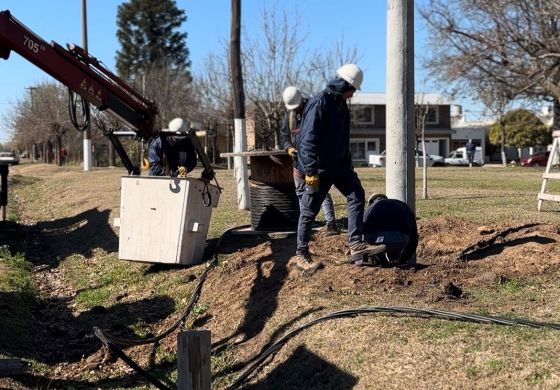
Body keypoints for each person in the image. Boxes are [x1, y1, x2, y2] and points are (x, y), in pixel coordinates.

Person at [294, 63, 383, 274]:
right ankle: (301, 254)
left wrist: (348, 166)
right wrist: (310, 171)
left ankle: (355, 244)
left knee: (356, 194)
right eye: (352, 90)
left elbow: (342, 141)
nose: (353, 95)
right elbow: (307, 141)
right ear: (345, 85)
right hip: (319, 169)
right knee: (308, 211)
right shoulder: (320, 103)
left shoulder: (341, 106)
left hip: (339, 166)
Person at [279, 86, 340, 237]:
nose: (296, 109)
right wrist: (288, 147)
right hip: (297, 163)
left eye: (297, 106)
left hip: (314, 162)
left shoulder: (314, 110)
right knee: (301, 193)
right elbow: (284, 135)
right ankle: (306, 226)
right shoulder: (291, 115)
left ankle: (331, 224)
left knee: (321, 192)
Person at [361, 193, 418, 266]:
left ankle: (383, 263)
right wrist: (403, 260)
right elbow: (414, 238)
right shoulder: (401, 205)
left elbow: (363, 234)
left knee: (372, 241)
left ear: (371, 202)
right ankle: (394, 260)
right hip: (400, 240)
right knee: (395, 243)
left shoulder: (369, 209)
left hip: (376, 243)